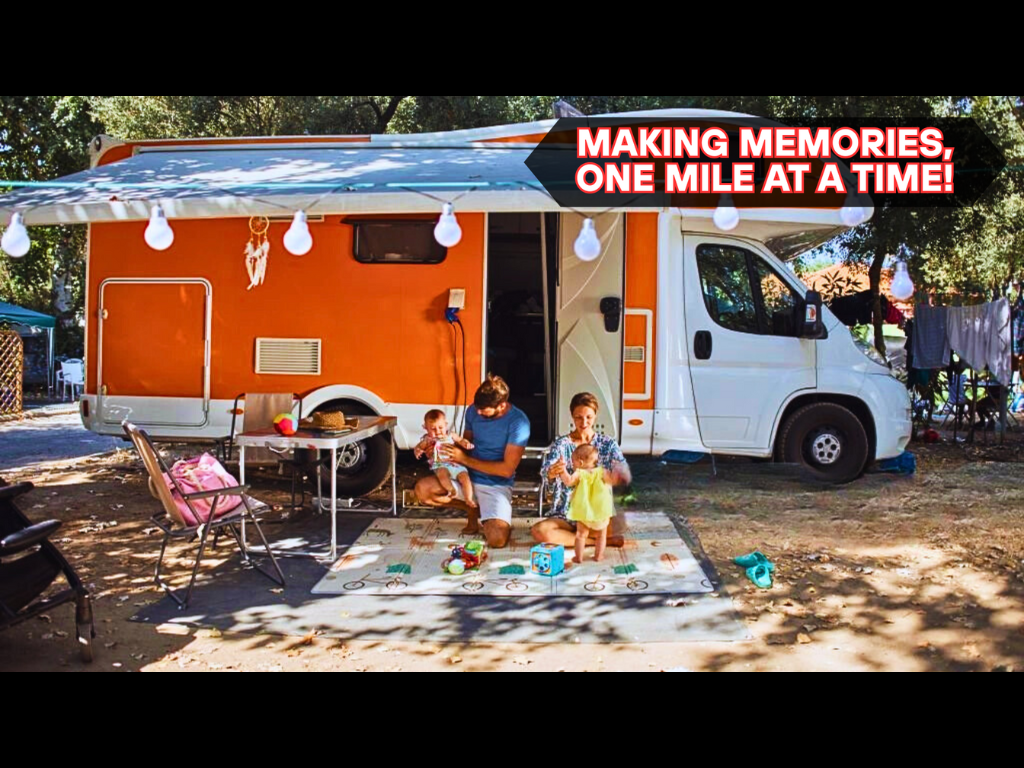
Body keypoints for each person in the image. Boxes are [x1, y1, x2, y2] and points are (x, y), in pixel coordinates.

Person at [414, 374, 530, 548]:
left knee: (497, 540)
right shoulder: (472, 410)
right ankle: (471, 507)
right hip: (465, 476)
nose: (478, 412)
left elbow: (506, 470)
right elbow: (465, 445)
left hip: (495, 485)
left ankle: (488, 514)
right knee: (422, 490)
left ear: (501, 405)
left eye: (484, 410)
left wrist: (464, 459)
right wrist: (439, 450)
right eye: (477, 408)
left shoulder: (519, 423)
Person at [532, 392, 631, 549]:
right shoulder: (562, 444)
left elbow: (622, 469)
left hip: (596, 512)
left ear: (595, 415)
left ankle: (573, 537)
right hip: (566, 513)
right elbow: (545, 472)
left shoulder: (608, 443)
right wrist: (551, 472)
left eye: (588, 417)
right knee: (540, 532)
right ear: (572, 416)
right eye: (578, 417)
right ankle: (596, 541)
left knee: (620, 523)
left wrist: (619, 475)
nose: (584, 422)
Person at [559, 444, 615, 563]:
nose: (573, 465)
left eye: (573, 462)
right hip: (601, 510)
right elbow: (611, 481)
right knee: (601, 535)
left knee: (580, 535)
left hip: (583, 510)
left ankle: (578, 557)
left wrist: (562, 470)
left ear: (580, 462)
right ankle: (598, 556)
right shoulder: (602, 471)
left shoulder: (580, 473)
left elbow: (568, 481)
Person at [413, 409, 476, 508]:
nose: (438, 431)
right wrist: (418, 450)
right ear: (425, 428)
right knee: (442, 474)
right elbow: (419, 447)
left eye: (440, 427)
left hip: (455, 464)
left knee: (465, 477)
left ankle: (468, 498)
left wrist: (466, 444)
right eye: (433, 429)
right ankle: (451, 490)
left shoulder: (451, 435)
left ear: (446, 425)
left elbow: (461, 440)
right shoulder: (428, 439)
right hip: (441, 465)